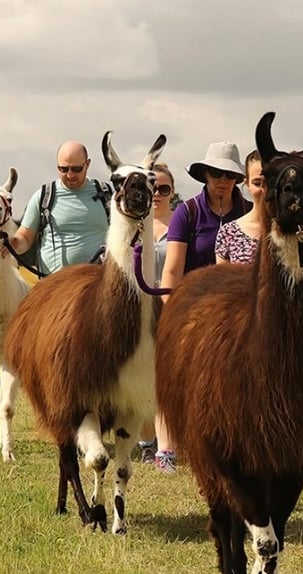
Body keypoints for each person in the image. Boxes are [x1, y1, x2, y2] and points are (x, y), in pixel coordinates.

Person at [155, 141, 251, 473]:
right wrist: (175, 311)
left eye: (229, 175)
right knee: (173, 371)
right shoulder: (188, 212)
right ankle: (166, 446)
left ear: (238, 179)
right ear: (205, 175)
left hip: (238, 312)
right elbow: (172, 269)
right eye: (215, 173)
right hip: (191, 306)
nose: (222, 180)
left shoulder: (250, 212)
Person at [216, 149, 303, 307]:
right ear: (246, 183)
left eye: (272, 181)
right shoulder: (229, 233)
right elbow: (221, 292)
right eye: (258, 183)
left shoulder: (301, 232)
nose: (265, 189)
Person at [10, 141, 110, 274]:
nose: (70, 175)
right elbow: (26, 237)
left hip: (98, 285)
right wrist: (11, 244)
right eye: (63, 169)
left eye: (76, 169)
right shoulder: (43, 197)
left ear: (87, 164)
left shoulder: (108, 195)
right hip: (54, 286)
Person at [136, 162, 176, 464]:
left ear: (172, 192)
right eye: (153, 189)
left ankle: (167, 445)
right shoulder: (136, 226)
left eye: (164, 189)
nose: (158, 195)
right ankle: (145, 440)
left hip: (173, 306)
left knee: (165, 376)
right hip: (140, 309)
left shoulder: (180, 225)